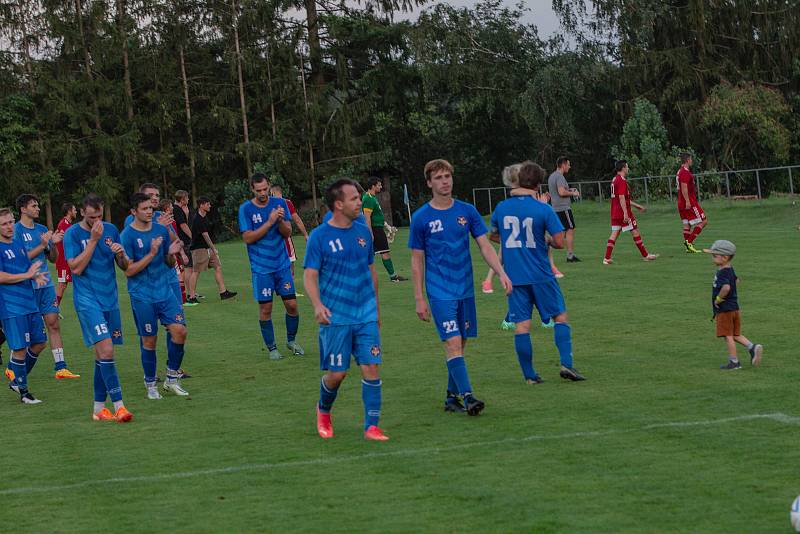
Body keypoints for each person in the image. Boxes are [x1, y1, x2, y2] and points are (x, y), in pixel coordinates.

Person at [409, 159, 511, 416]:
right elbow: (416, 260)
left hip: (465, 288)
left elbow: (485, 245)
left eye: (447, 176)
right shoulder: (421, 217)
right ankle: (468, 397)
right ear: (429, 182)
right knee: (453, 342)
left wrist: (500, 273)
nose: (445, 181)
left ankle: (450, 397)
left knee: (461, 344)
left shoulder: (467, 211)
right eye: (439, 177)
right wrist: (419, 297)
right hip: (439, 291)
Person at [305, 179, 388, 441]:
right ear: (338, 204)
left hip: (365, 314)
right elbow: (309, 276)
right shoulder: (319, 237)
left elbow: (372, 271)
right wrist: (318, 305)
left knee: (371, 368)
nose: (359, 202)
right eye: (354, 198)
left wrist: (375, 310)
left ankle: (371, 426)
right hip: (336, 318)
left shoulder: (364, 232)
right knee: (337, 374)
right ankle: (324, 410)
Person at [490, 161, 586, 383]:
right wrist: (545, 239)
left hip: (515, 277)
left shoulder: (502, 208)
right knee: (560, 317)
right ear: (538, 184)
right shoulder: (543, 208)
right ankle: (566, 365)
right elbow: (560, 242)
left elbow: (493, 236)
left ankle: (530, 376)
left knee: (522, 325)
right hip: (541, 274)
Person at [63, 194, 133, 422]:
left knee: (102, 354)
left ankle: (98, 409)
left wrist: (121, 254)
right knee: (107, 350)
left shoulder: (111, 229)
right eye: (92, 216)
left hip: (110, 300)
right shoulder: (73, 234)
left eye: (100, 215)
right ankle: (120, 406)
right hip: (87, 300)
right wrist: (93, 240)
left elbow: (125, 266)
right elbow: (76, 269)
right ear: (82, 212)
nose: (97, 220)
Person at [122, 193, 189, 398]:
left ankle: (171, 379)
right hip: (142, 295)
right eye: (144, 208)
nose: (149, 211)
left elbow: (168, 262)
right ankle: (151, 385)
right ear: (134, 211)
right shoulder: (127, 235)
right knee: (149, 340)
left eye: (150, 208)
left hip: (165, 292)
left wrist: (171, 252)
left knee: (180, 331)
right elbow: (129, 270)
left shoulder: (161, 229)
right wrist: (151, 253)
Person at [14, 194, 80, 379]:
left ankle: (61, 367)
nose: (38, 209)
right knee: (29, 334)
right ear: (23, 209)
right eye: (34, 206)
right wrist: (42, 244)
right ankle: (16, 370)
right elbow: (20, 259)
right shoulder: (15, 230)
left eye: (37, 206)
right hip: (27, 287)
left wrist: (53, 245)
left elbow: (52, 258)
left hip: (46, 285)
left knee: (53, 324)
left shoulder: (42, 229)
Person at [238, 174, 303, 359]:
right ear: (252, 189)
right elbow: (248, 238)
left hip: (282, 265)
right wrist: (269, 222)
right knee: (266, 309)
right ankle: (272, 348)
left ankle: (291, 341)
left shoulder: (279, 203)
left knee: (292, 305)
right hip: (261, 268)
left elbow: (287, 232)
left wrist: (281, 220)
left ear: (269, 186)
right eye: (258, 190)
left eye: (265, 189)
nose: (262, 193)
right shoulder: (246, 209)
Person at [483, 164, 562, 296]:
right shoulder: (521, 203)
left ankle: (488, 281)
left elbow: (492, 235)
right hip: (535, 273)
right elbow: (558, 241)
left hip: (519, 269)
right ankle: (488, 280)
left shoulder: (504, 206)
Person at [1, 207, 49, 404]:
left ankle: (15, 376)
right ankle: (24, 392)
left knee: (40, 342)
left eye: (11, 222)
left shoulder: (18, 243)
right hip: (11, 307)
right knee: (20, 348)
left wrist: (35, 275)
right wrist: (27, 275)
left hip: (30, 303)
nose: (9, 226)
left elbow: (24, 267)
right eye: (4, 224)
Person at [704, 240, 763, 370]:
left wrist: (718, 299)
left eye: (715, 255)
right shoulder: (730, 269)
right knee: (735, 334)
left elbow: (726, 287)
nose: (712, 258)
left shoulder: (722, 272)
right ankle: (752, 347)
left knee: (728, 336)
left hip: (725, 309)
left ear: (724, 257)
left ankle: (734, 362)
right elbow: (737, 280)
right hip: (734, 307)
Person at [603, 160, 659, 264]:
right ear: (623, 168)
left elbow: (623, 198)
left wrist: (637, 206)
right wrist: (625, 213)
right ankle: (646, 255)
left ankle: (607, 258)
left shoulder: (615, 179)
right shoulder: (622, 181)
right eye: (627, 167)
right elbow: (621, 198)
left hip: (614, 212)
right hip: (623, 212)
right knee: (635, 231)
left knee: (615, 233)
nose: (628, 169)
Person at [187, 196, 237, 303]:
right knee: (196, 272)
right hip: (198, 249)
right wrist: (214, 249)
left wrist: (211, 249)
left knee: (218, 267)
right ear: (201, 205)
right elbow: (205, 236)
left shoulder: (205, 217)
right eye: (208, 204)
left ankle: (223, 292)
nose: (210, 206)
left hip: (208, 248)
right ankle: (191, 297)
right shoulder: (197, 219)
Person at [362, 176, 407, 282]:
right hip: (375, 230)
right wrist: (370, 233)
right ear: (373, 186)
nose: (381, 187)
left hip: (377, 229)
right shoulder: (368, 198)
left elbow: (377, 216)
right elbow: (367, 218)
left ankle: (392, 276)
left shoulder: (372, 198)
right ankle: (393, 277)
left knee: (370, 253)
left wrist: (387, 227)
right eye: (379, 185)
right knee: (384, 252)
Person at [270, 184, 308, 295]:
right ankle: (289, 289)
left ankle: (278, 287)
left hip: (271, 239)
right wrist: (305, 234)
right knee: (290, 261)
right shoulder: (286, 202)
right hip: (284, 237)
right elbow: (296, 220)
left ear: (272, 192)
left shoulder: (267, 204)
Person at [548, 156, 581, 262]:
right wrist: (573, 193)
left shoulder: (552, 176)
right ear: (563, 165)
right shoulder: (559, 177)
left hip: (555, 208)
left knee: (561, 234)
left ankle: (544, 246)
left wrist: (569, 189)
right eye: (568, 164)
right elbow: (561, 192)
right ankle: (570, 256)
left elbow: (558, 190)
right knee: (570, 230)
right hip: (563, 208)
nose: (569, 167)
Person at [676, 153, 707, 253]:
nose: (691, 161)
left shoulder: (679, 171)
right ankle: (689, 242)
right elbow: (684, 187)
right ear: (688, 160)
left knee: (686, 225)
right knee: (703, 221)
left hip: (681, 202)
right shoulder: (684, 172)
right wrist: (688, 201)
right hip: (688, 202)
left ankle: (688, 247)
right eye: (691, 159)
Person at [172, 190, 196, 297]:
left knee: (190, 268)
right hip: (185, 242)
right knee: (188, 268)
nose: (188, 199)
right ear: (182, 199)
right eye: (187, 198)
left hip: (185, 241)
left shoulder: (182, 209)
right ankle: (190, 294)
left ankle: (192, 292)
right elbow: (183, 225)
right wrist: (193, 237)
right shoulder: (176, 209)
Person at [55, 202, 77, 306]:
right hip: (63, 261)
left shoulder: (68, 224)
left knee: (68, 284)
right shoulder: (63, 224)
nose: (76, 211)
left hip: (68, 260)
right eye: (74, 209)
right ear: (69, 211)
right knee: (62, 285)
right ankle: (53, 309)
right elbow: (65, 242)